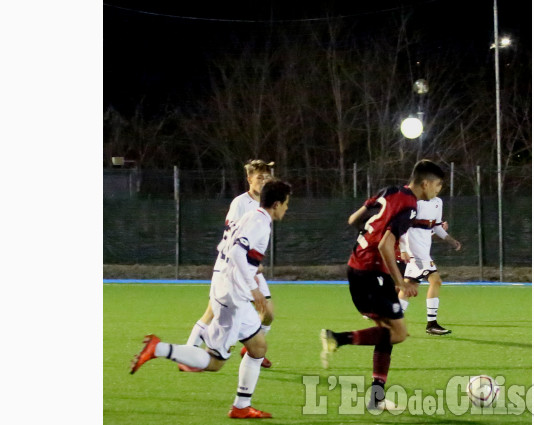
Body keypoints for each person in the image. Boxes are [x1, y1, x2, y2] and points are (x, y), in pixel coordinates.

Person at [130, 179, 292, 419]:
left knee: (258, 347)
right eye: (287, 204)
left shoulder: (251, 216)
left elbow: (225, 247)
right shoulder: (260, 222)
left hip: (228, 288)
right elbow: (237, 251)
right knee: (215, 362)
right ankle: (159, 348)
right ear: (276, 204)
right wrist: (253, 287)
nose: (287, 209)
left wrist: (247, 275)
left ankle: (241, 407)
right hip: (233, 297)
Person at [320, 159, 445, 411]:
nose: (438, 191)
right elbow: (384, 245)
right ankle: (336, 339)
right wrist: (402, 283)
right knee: (398, 333)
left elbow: (354, 219)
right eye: (438, 185)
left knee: (388, 333)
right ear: (426, 183)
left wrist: (367, 236)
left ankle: (376, 399)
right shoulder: (410, 206)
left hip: (361, 267)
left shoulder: (390, 191)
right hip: (371, 273)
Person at [182, 159, 275, 370]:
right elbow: (231, 237)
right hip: (233, 267)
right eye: (259, 177)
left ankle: (250, 349)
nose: (263, 181)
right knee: (211, 312)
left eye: (267, 177)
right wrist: (248, 260)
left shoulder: (266, 204)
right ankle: (187, 354)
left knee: (268, 313)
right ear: (249, 179)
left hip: (249, 266)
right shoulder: (240, 203)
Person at [397, 193, 462, 335]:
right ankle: (431, 324)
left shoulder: (438, 201)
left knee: (409, 286)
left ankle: (393, 324)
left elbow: (437, 227)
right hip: (415, 251)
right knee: (435, 280)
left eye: (439, 184)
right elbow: (401, 227)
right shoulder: (414, 202)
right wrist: (403, 250)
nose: (437, 188)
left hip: (424, 251)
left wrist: (451, 240)